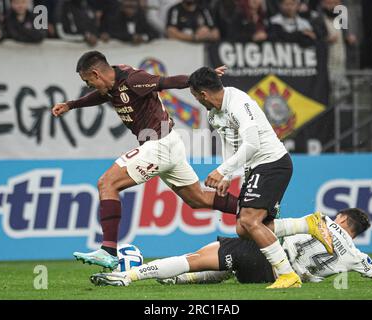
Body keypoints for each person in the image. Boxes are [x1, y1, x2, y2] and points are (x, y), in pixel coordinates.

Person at [51, 52, 240, 270]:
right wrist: (71, 105)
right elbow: (101, 96)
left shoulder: (133, 80)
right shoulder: (112, 84)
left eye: (88, 81)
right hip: (170, 144)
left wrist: (201, 78)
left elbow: (166, 83)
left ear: (96, 73)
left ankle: (109, 251)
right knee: (198, 199)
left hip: (159, 144)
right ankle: (253, 208)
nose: (89, 86)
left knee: (107, 183)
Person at [189, 67, 332, 289]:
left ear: (203, 94)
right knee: (243, 229)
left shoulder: (238, 103)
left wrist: (222, 170)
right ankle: (308, 223)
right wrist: (228, 174)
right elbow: (233, 143)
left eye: (195, 96)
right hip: (256, 168)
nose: (197, 100)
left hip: (272, 162)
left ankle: (287, 275)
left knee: (248, 221)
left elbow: (252, 144)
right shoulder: (214, 114)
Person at [90, 208, 372, 286]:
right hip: (272, 276)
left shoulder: (323, 221)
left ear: (343, 218)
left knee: (193, 259)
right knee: (218, 265)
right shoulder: (356, 255)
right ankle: (173, 280)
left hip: (265, 255)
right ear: (356, 233)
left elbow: (271, 229)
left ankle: (128, 276)